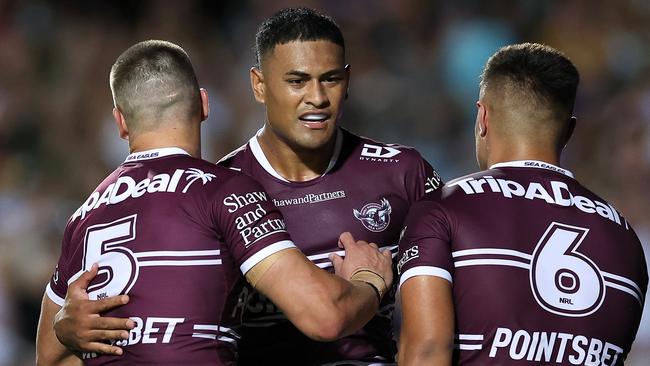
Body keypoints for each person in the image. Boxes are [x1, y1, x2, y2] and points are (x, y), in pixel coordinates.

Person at [51, 8, 443, 365]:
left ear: (348, 80)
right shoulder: (217, 190)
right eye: (297, 81)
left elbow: (446, 323)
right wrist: (68, 329)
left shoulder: (403, 172)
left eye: (331, 79)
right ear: (258, 85)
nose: (317, 97)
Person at [397, 42, 648, 365]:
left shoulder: (443, 209)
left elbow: (428, 351)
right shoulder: (625, 238)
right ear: (569, 131)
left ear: (483, 117)